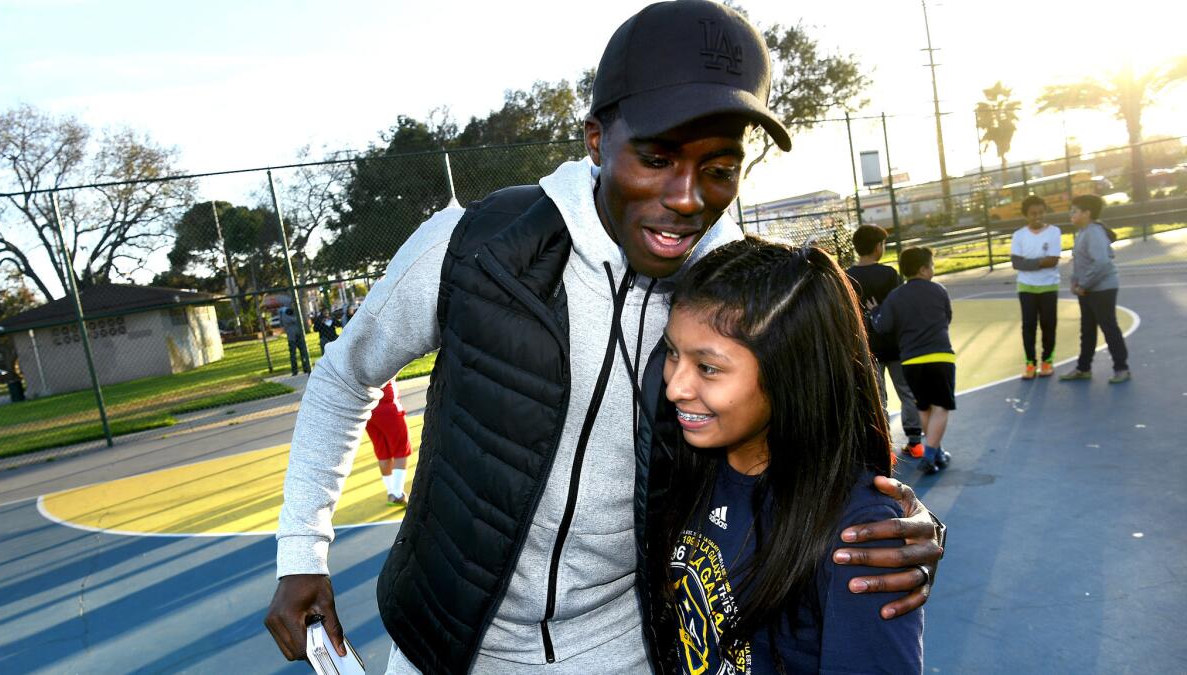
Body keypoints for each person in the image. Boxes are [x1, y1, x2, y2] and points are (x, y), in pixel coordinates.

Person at [264, 3, 946, 674]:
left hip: (630, 652)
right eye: (656, 157)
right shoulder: (473, 245)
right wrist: (301, 550)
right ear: (597, 140)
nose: (686, 196)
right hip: (446, 646)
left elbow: (818, 433)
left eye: (718, 168)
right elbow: (343, 376)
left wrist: (896, 519)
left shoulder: (737, 293)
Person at [651, 239, 923, 673]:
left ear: (789, 372)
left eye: (707, 367)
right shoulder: (686, 467)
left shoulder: (860, 536)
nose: (675, 387)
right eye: (671, 353)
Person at [872, 247, 954, 475]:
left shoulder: (896, 296)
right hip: (940, 356)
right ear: (923, 269)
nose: (933, 270)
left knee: (924, 406)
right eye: (931, 266)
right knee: (942, 406)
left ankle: (936, 453)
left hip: (910, 361)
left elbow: (882, 325)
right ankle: (930, 454)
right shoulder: (938, 290)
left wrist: (875, 311)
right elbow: (947, 317)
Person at [845, 225, 924, 458]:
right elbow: (901, 307)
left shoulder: (848, 276)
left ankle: (885, 448)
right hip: (896, 345)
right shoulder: (889, 274)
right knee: (907, 393)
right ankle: (915, 443)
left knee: (877, 399)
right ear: (878, 246)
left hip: (867, 348)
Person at [1059, 194, 1130, 383]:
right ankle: (1083, 368)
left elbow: (1101, 263)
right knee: (1088, 329)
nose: (1070, 214)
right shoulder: (1084, 232)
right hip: (1089, 289)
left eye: (1074, 211)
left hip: (1102, 289)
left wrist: (1083, 285)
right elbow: (1080, 262)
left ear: (1087, 213)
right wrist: (1075, 282)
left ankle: (1122, 368)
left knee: (1108, 327)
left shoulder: (1094, 233)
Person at [1010, 195, 1061, 379]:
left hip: (1049, 286)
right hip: (1026, 287)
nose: (1037, 216)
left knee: (1049, 325)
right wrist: (1041, 261)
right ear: (1026, 215)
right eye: (1033, 213)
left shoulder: (1054, 232)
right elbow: (1016, 263)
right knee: (1029, 326)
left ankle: (1047, 361)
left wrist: (1029, 263)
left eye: (1041, 212)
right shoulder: (1019, 235)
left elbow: (1053, 260)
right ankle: (1030, 364)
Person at [366, 378, 412, 505]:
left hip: (368, 409)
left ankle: (391, 492)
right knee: (401, 450)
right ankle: (398, 494)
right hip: (387, 405)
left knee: (383, 452)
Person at [278, 305, 310, 376]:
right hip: (292, 338)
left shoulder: (285, 317)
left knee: (302, 353)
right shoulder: (288, 317)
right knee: (294, 354)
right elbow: (296, 320)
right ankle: (296, 370)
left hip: (297, 337)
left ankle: (304, 368)